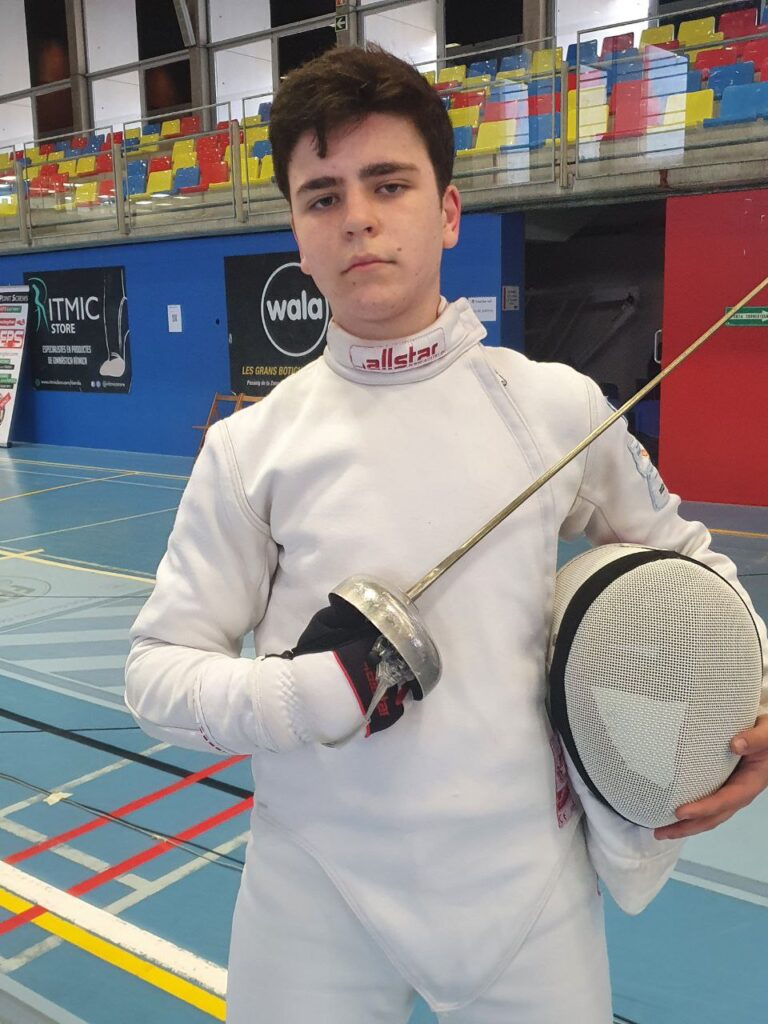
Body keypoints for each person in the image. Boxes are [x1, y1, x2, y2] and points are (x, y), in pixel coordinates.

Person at [125, 46, 768, 1024]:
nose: (358, 217)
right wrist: (301, 694)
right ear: (298, 233)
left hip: (525, 888)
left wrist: (754, 696)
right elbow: (155, 676)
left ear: (449, 211)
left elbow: (692, 566)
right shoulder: (250, 449)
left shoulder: (556, 407)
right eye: (323, 196)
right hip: (314, 890)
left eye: (389, 184)